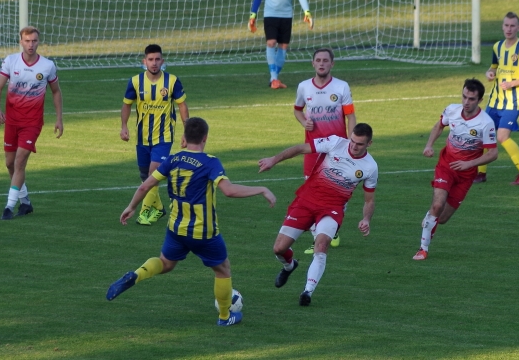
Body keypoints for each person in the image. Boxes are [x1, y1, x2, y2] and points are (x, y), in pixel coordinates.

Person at [106, 117, 276, 326]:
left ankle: (136, 275)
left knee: (166, 264)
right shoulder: (210, 162)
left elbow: (145, 186)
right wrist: (262, 189)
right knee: (223, 269)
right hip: (203, 232)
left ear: (184, 138)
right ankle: (225, 316)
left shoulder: (173, 159)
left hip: (176, 229)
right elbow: (229, 191)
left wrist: (131, 207)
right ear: (205, 138)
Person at [258, 123, 377, 306]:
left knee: (321, 245)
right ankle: (289, 266)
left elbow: (369, 199)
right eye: (352, 141)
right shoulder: (336, 143)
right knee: (279, 249)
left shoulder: (370, 167)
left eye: (359, 144)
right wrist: (273, 160)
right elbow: (300, 148)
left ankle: (307, 292)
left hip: (332, 208)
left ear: (369, 144)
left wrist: (366, 219)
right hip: (306, 201)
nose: (353, 146)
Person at [413, 79, 497, 261]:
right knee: (437, 205)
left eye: (472, 99)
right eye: (464, 97)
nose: (466, 102)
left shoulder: (485, 123)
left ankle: (430, 219)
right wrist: (429, 145)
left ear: (480, 100)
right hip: (446, 166)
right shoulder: (452, 110)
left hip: (466, 175)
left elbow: (493, 153)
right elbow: (439, 126)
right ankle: (423, 249)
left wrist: (469, 164)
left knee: (441, 218)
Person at [0, 26, 63, 220]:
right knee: (9, 164)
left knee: (19, 162)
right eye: (27, 41)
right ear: (21, 42)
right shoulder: (11, 61)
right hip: (12, 121)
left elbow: (56, 91)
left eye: (34, 41)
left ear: (38, 42)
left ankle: (9, 207)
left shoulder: (47, 66)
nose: (31, 45)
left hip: (32, 123)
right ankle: (26, 203)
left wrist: (59, 119)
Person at [294, 47, 356, 254]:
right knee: (311, 194)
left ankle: (333, 227)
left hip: (336, 149)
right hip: (312, 150)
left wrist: (350, 142)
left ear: (332, 64)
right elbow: (297, 110)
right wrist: (304, 122)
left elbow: (350, 116)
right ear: (313, 63)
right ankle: (317, 238)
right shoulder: (304, 87)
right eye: (318, 60)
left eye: (325, 60)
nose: (321, 63)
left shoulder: (341, 87)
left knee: (339, 192)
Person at [120, 44, 189, 225]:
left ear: (162, 61)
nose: (154, 63)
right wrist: (124, 126)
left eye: (157, 59)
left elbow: (182, 105)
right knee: (146, 177)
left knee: (153, 173)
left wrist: (186, 131)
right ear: (144, 61)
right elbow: (127, 104)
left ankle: (144, 212)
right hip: (142, 137)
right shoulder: (135, 82)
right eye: (150, 59)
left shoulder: (172, 81)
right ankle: (159, 209)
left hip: (164, 137)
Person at [475, 12, 519, 185]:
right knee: (486, 134)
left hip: (512, 101)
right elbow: (493, 67)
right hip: (495, 100)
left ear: (518, 28)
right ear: (502, 27)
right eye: (506, 25)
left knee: (501, 136)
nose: (509, 29)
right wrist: (489, 73)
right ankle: (481, 173)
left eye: (512, 26)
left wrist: (513, 83)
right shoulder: (497, 47)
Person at [248, 0, 313, 89]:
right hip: (270, 14)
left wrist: (307, 11)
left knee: (283, 46)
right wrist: (253, 14)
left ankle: (274, 78)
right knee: (271, 42)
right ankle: (273, 78)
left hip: (286, 16)